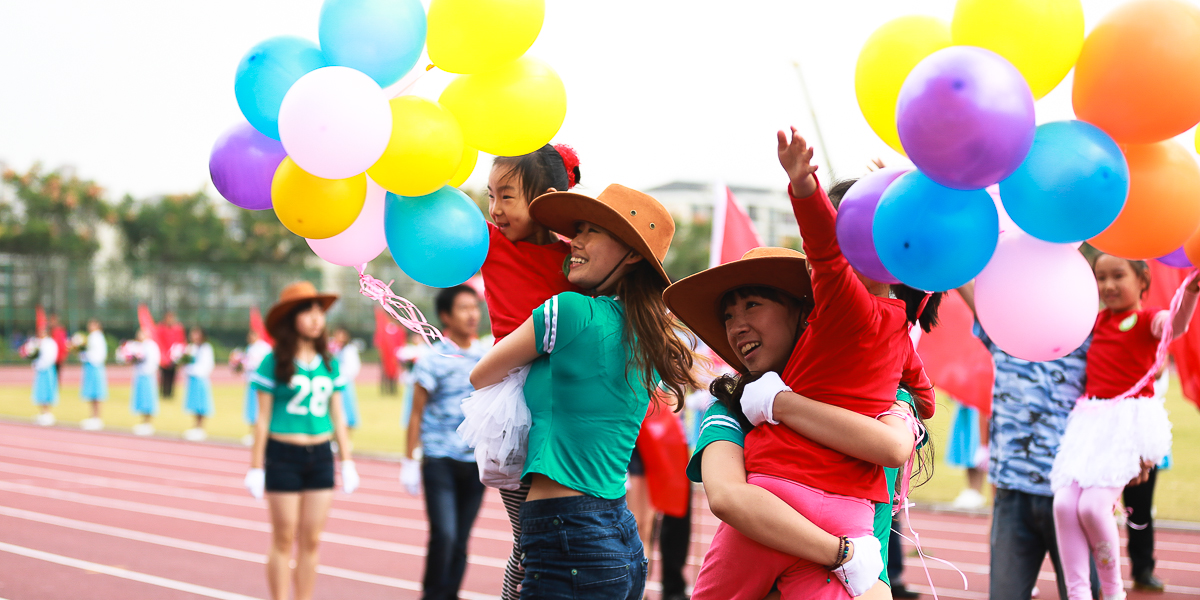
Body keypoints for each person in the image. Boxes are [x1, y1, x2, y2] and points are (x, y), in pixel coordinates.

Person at [471, 183, 699, 600]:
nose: (573, 241)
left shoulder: (568, 310)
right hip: (618, 536)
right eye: (577, 229)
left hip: (566, 536)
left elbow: (480, 375)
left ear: (631, 255)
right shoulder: (650, 337)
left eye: (590, 231)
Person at [666, 242, 930, 599]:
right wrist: (843, 554)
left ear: (804, 311)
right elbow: (728, 497)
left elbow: (892, 447)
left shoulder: (879, 393)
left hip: (861, 588)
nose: (736, 326)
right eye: (727, 316)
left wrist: (779, 403)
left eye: (752, 305)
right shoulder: (732, 406)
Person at [1050, 254, 1197, 600]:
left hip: (1127, 425)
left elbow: (1175, 325)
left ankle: (1114, 592)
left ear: (1143, 280)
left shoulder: (1148, 319)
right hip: (1089, 424)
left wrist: (1190, 292)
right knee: (1062, 504)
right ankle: (1078, 593)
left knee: (1091, 507)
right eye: (1101, 278)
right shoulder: (1097, 321)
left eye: (1118, 276)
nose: (1109, 286)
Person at [478, 143, 584, 600]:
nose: (495, 209)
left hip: (571, 402)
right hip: (513, 401)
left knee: (572, 533)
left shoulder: (577, 257)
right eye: (490, 196)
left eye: (507, 196)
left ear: (544, 199)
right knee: (530, 538)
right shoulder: (483, 240)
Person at [958, 281, 1101, 600]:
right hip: (1012, 493)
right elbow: (966, 286)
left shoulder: (1086, 338)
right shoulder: (1006, 331)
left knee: (1083, 594)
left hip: (1068, 493)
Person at [245, 281, 358, 600]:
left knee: (311, 540)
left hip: (321, 455)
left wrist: (347, 461)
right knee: (283, 539)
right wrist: (255, 466)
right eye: (306, 312)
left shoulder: (328, 361)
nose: (315, 318)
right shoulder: (272, 361)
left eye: (319, 312)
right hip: (283, 456)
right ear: (290, 318)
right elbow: (262, 418)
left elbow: (338, 416)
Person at [402, 285, 489, 600]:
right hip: (439, 458)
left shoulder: (487, 354)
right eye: (464, 308)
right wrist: (409, 460)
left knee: (462, 539)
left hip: (475, 462)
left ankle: (449, 594)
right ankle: (433, 594)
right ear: (445, 316)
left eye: (475, 307)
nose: (472, 314)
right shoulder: (431, 357)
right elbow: (415, 413)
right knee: (445, 535)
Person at [946, 398, 988, 510]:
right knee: (966, 444)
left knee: (976, 445)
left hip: (979, 405)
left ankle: (976, 490)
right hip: (966, 403)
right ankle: (971, 489)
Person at [239, 329, 274, 445]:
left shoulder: (264, 347)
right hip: (251, 382)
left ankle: (262, 434)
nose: (250, 337)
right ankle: (251, 433)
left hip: (261, 384)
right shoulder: (249, 348)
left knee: (261, 409)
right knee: (251, 409)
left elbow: (267, 363)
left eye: (252, 335)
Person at [182, 326, 215, 442]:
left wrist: (196, 371)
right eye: (192, 334)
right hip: (192, 379)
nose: (194, 336)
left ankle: (201, 428)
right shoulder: (190, 348)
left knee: (201, 404)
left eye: (196, 334)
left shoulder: (206, 348)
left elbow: (208, 365)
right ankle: (195, 427)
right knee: (194, 403)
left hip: (201, 379)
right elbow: (185, 362)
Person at [130, 328, 161, 436]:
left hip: (148, 376)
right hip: (140, 375)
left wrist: (148, 371)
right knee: (141, 399)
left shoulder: (151, 346)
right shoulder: (137, 345)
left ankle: (148, 423)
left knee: (148, 400)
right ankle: (143, 422)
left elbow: (154, 361)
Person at [26, 327, 59, 426]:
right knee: (40, 391)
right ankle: (42, 413)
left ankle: (48, 413)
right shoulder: (38, 342)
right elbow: (35, 354)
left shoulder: (50, 343)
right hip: (40, 370)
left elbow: (50, 357)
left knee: (47, 391)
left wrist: (41, 364)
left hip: (47, 370)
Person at [79, 319, 108, 431]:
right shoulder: (90, 337)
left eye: (92, 324)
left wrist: (87, 356)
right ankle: (92, 417)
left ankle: (97, 418)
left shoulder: (98, 337)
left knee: (97, 393)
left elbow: (99, 354)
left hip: (95, 366)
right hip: (90, 366)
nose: (89, 325)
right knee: (91, 393)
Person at [332, 327, 361, 431]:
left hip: (345, 384)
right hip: (335, 382)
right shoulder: (334, 349)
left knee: (347, 413)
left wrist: (340, 373)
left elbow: (353, 367)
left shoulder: (349, 350)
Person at [158, 311, 185, 399]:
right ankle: (163, 393)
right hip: (164, 356)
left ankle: (170, 394)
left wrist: (180, 353)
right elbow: (159, 341)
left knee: (172, 375)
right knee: (164, 375)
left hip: (174, 356)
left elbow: (181, 341)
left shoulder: (178, 328)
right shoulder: (161, 328)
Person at [47, 313, 68, 386]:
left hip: (58, 357)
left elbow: (62, 344)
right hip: (49, 357)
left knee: (56, 374)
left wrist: (63, 355)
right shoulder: (48, 331)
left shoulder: (60, 330)